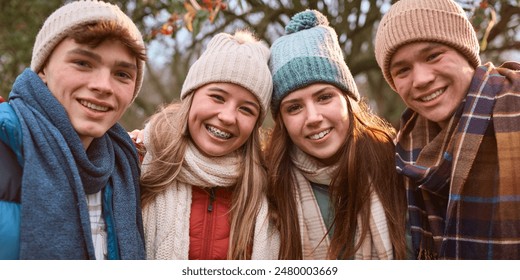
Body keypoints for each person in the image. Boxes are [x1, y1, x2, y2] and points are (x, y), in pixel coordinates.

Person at [0, 0, 146, 260]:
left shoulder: (126, 163)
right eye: (83, 63)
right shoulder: (5, 142)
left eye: (122, 74)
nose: (103, 86)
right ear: (43, 67)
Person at [374, 0, 520, 259]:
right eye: (403, 70)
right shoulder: (402, 149)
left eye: (433, 56)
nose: (421, 79)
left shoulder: (514, 107)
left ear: (465, 53)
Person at [265, 9, 407, 260]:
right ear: (282, 121)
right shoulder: (268, 184)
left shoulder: (397, 166)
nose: (313, 118)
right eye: (294, 107)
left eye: (324, 97)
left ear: (348, 100)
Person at [138, 30, 280, 260]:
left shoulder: (268, 191)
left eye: (246, 109)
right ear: (191, 96)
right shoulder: (139, 161)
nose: (227, 117)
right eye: (218, 97)